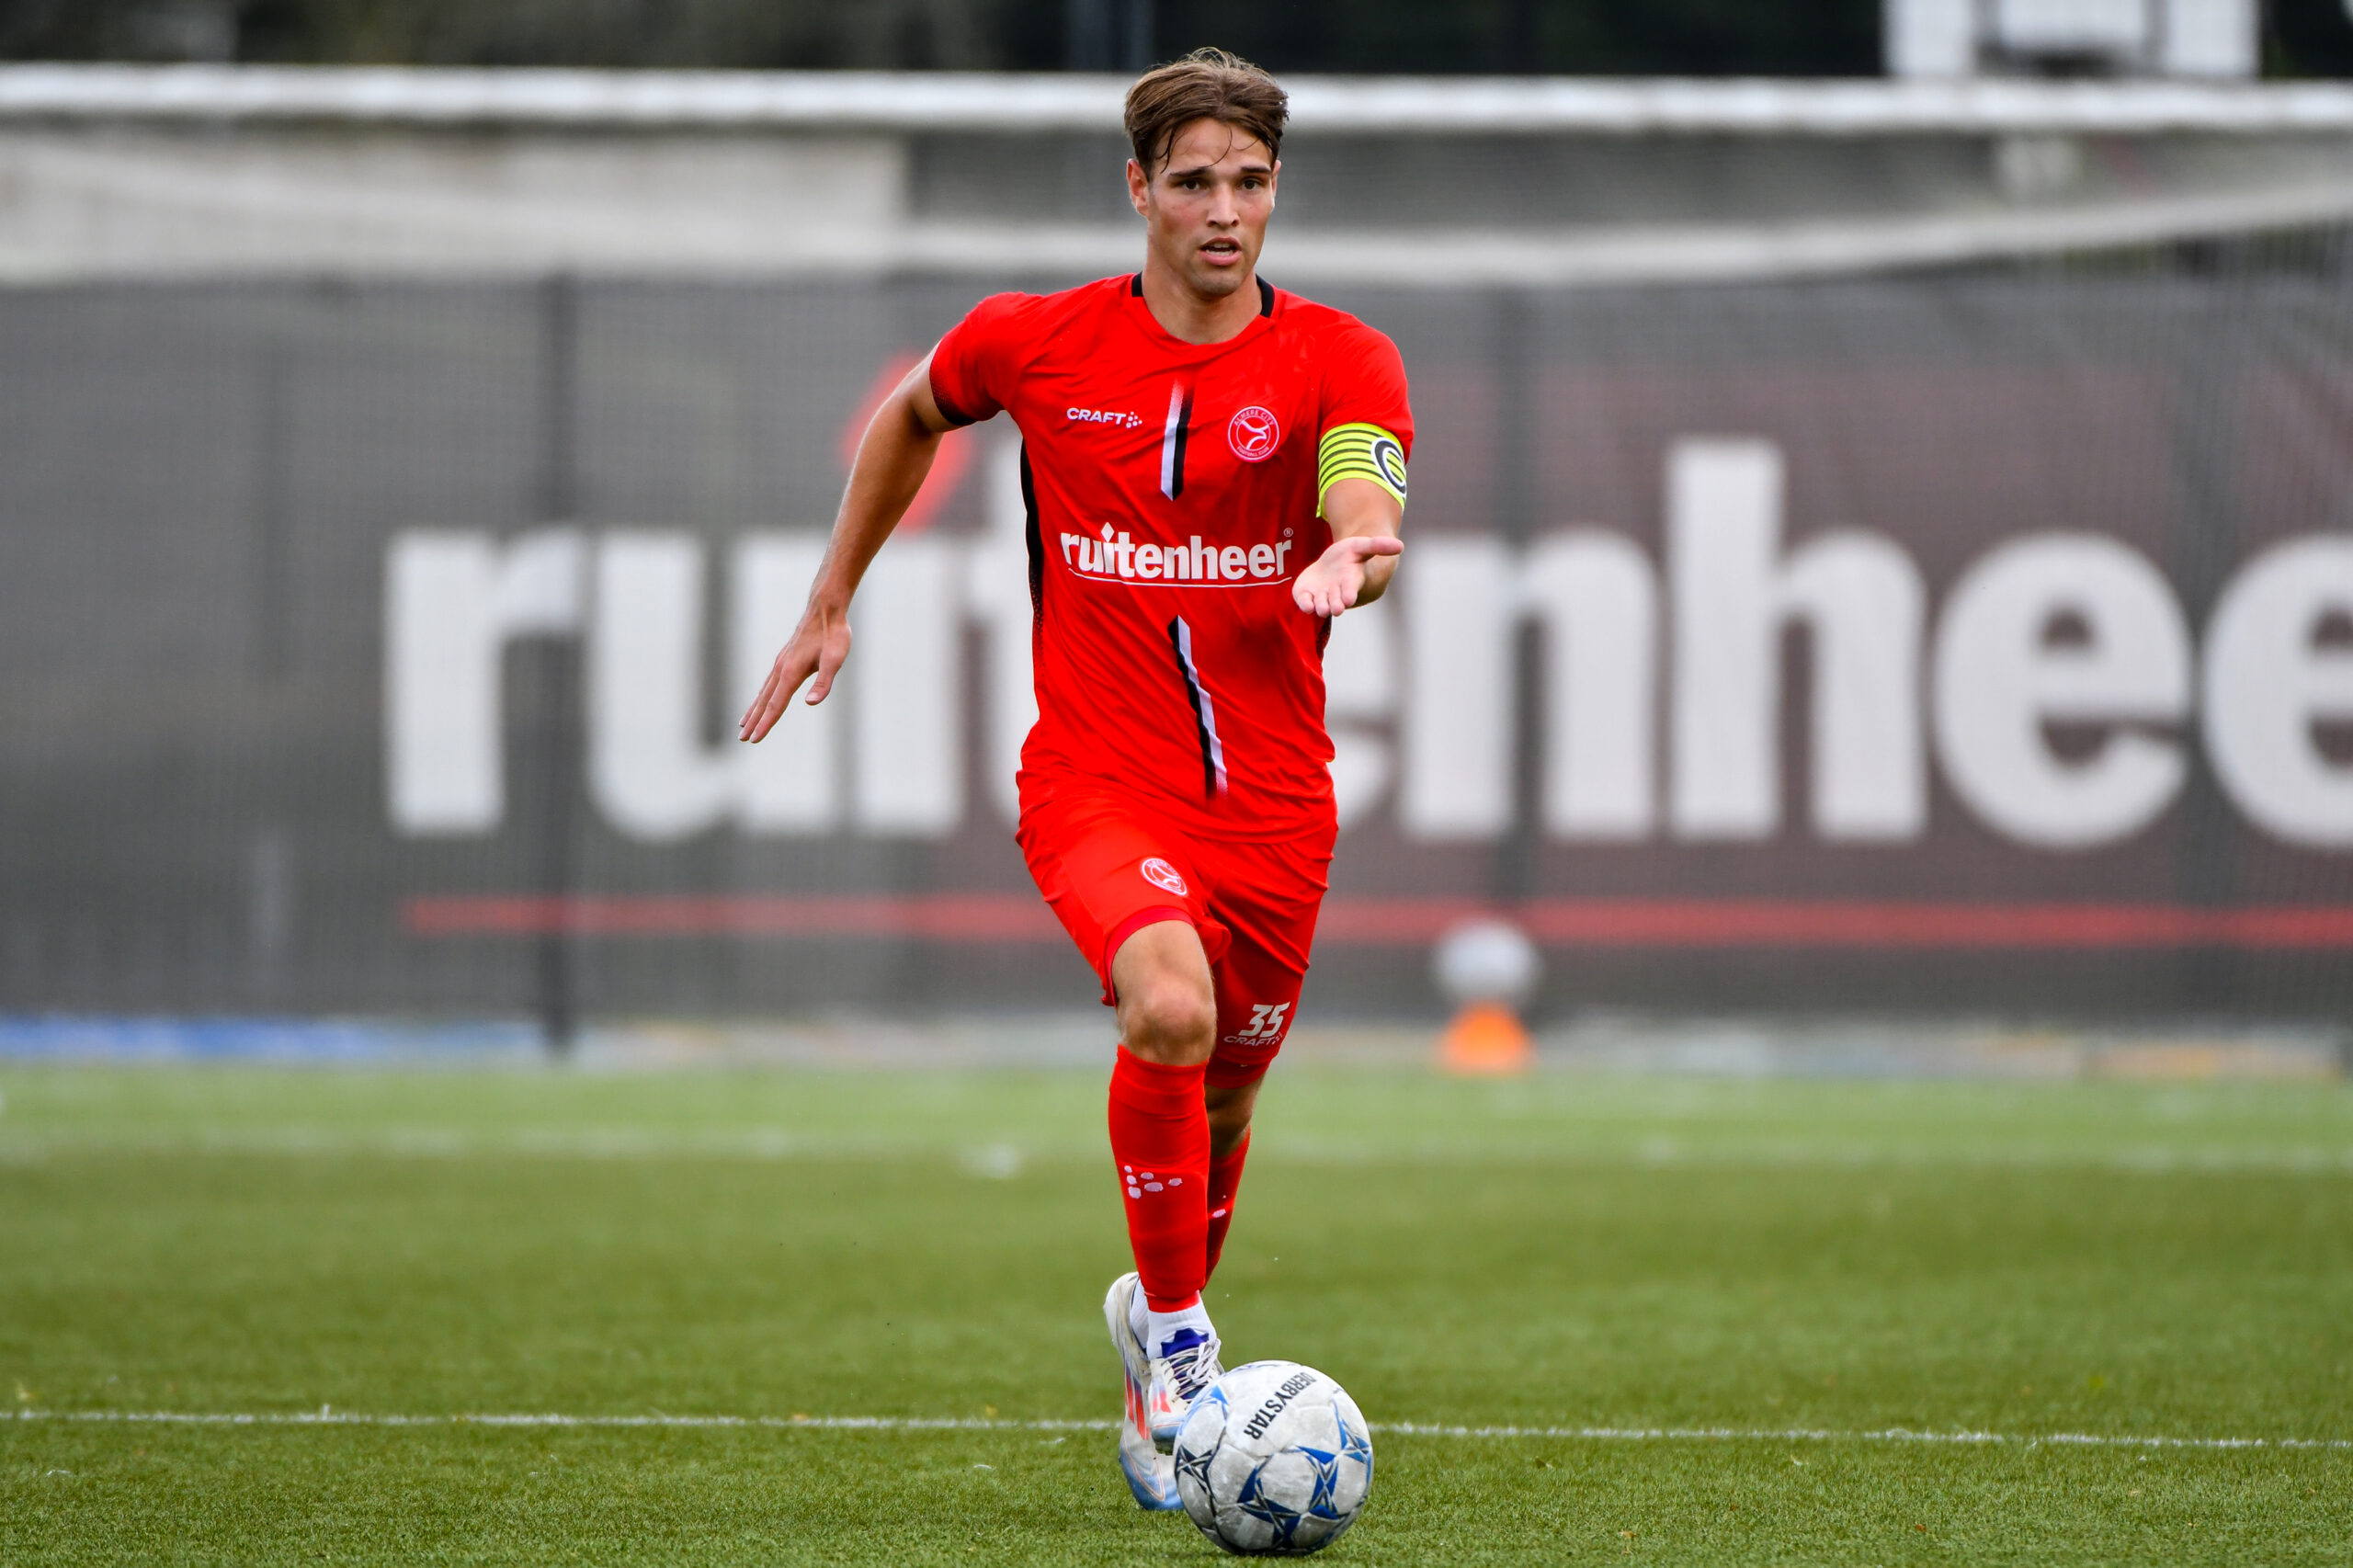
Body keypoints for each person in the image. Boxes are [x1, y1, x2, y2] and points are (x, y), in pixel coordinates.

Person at [737, 48, 1412, 1510]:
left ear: (1274, 191)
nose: (1223, 211)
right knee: (1168, 1004)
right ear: (1139, 191)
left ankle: (1144, 1346)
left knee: (1222, 1103)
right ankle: (1182, 1348)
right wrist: (831, 595)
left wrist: (1356, 547)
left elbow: (1366, 481)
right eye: (1193, 183)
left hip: (1278, 805)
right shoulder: (1036, 343)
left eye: (1249, 182)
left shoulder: (1342, 358)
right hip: (1095, 778)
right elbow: (913, 412)